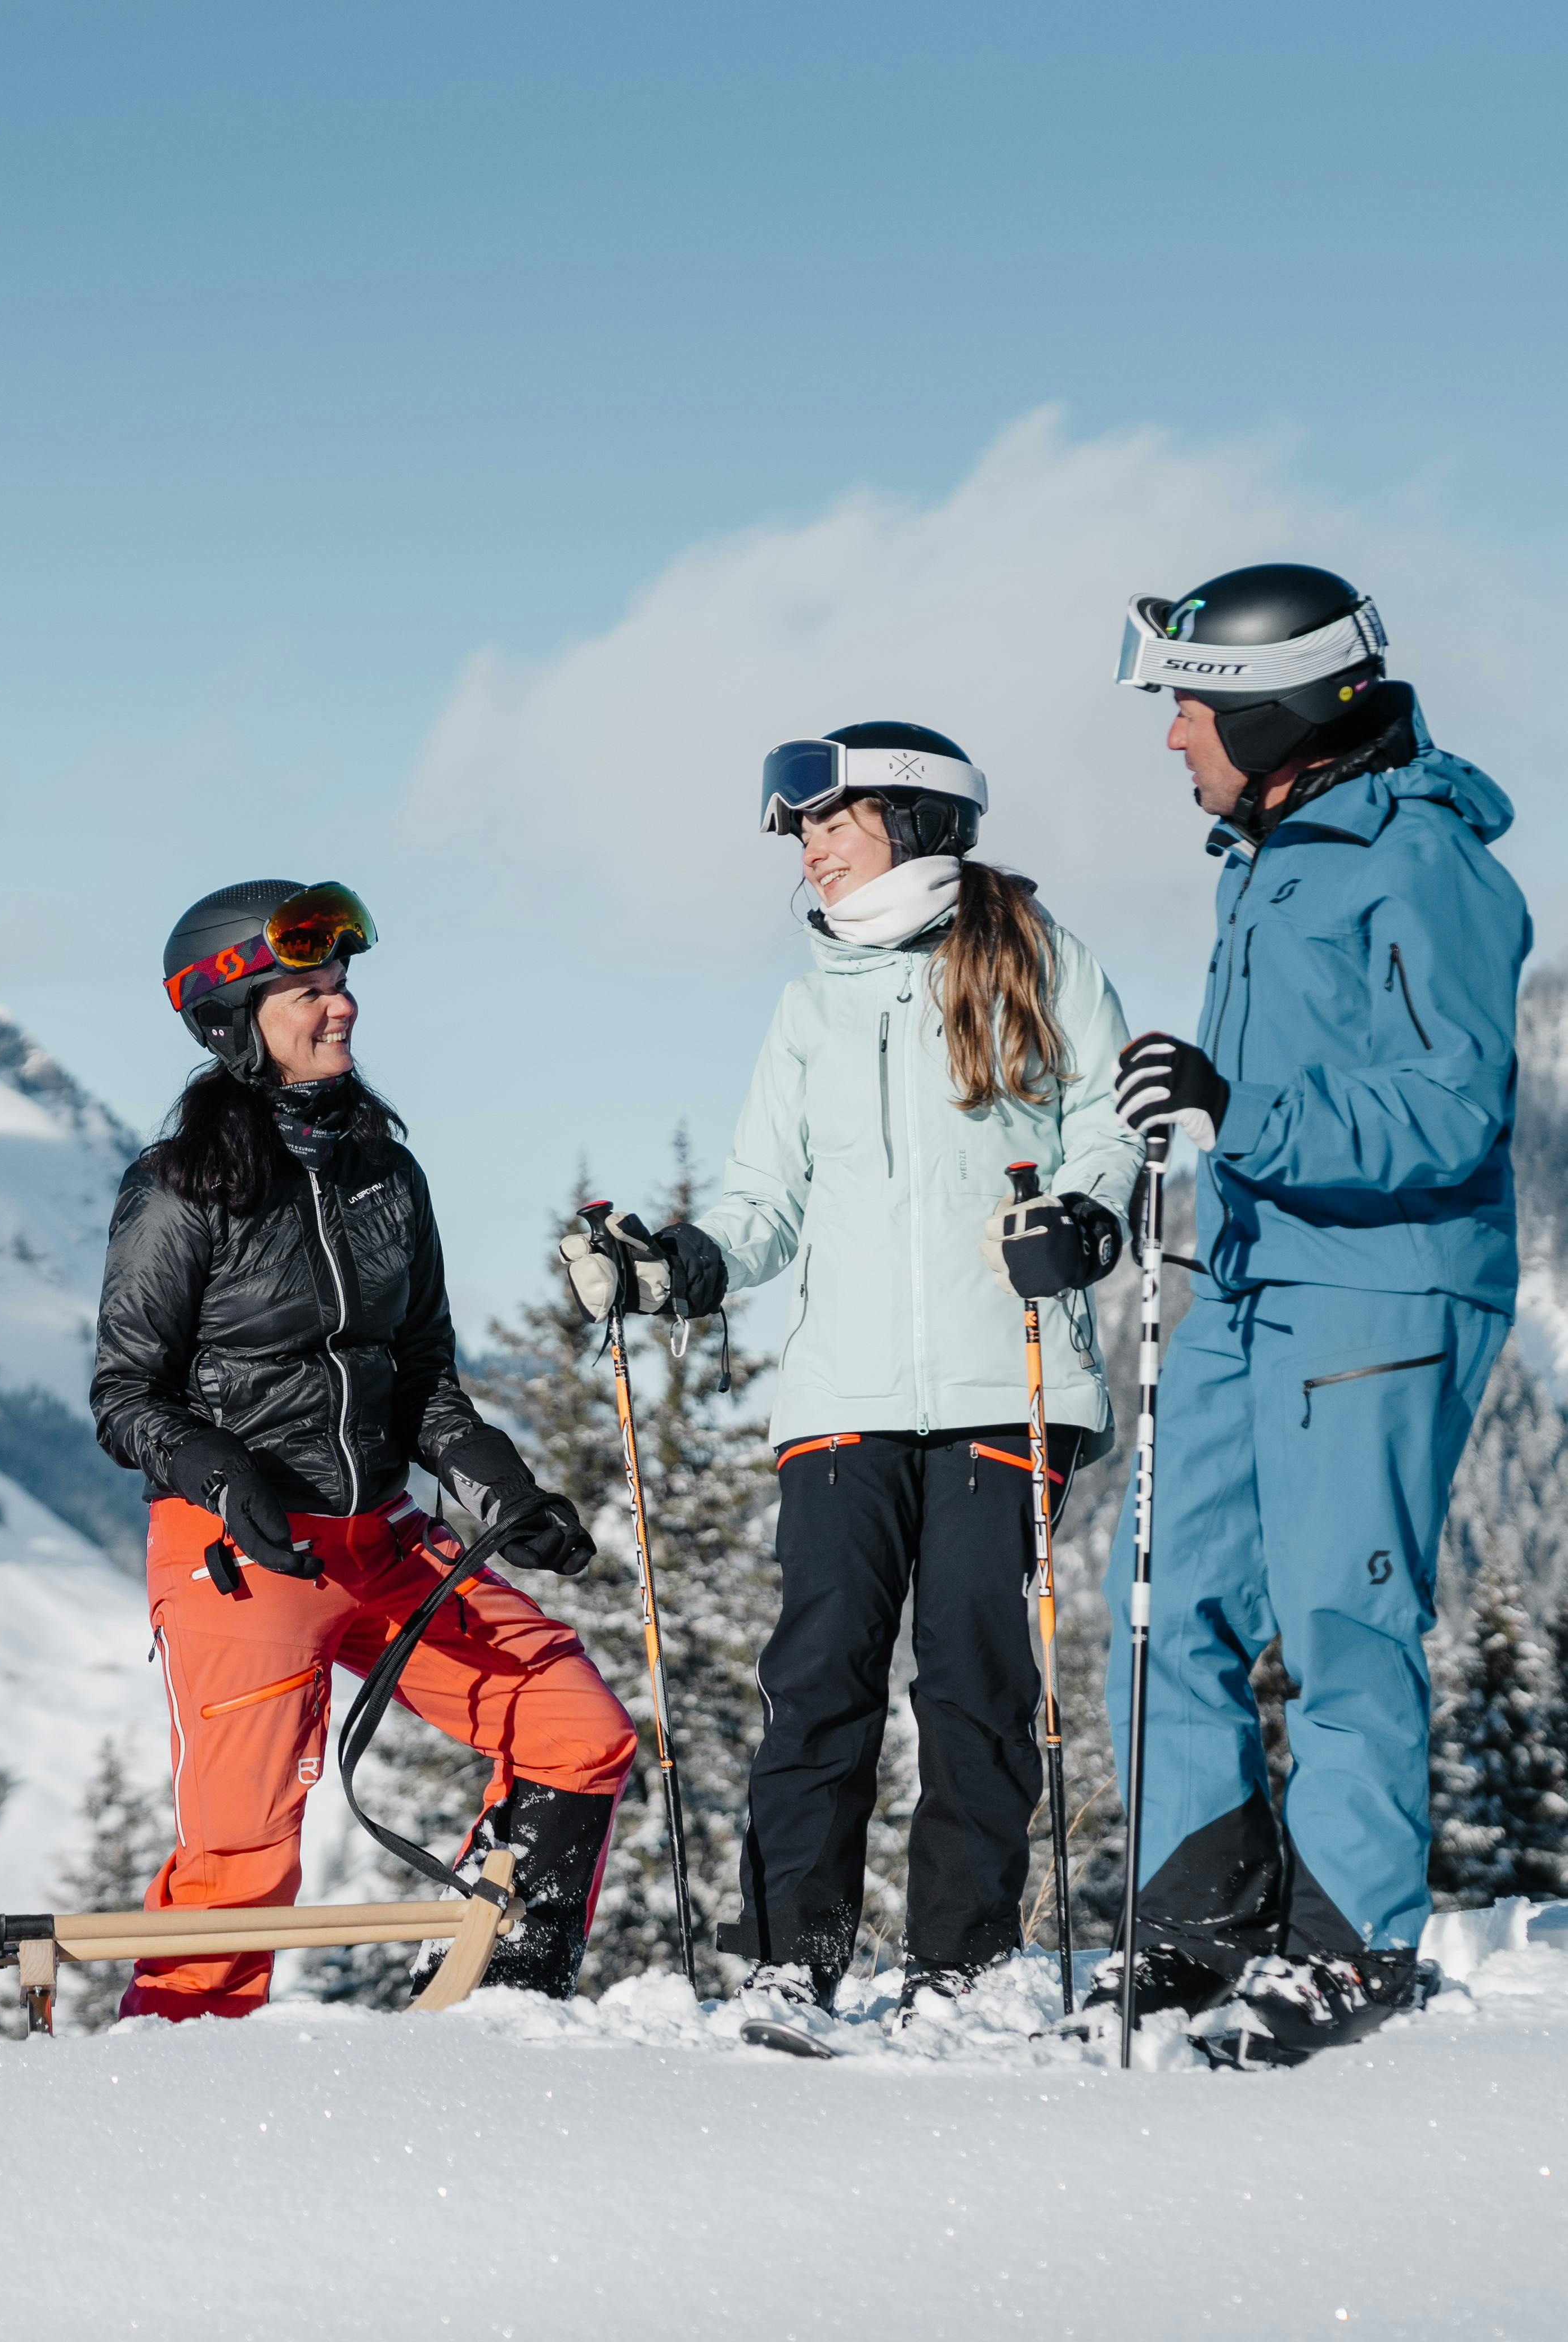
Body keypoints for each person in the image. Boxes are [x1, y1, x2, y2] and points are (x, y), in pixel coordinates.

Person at [575, 724, 1140, 2024]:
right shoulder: (807, 1002)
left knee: (976, 1677)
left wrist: (1088, 1217)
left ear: (918, 818)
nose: (809, 849)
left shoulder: (1041, 962)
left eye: (831, 820)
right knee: (819, 1675)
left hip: (1009, 1379)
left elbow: (1106, 1127)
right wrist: (684, 1265)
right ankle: (793, 1953)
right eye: (802, 830)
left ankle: (962, 1960)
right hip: (842, 1397)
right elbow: (764, 1198)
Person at [1103, 564, 1527, 2063]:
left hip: (1381, 1284)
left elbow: (1451, 1106)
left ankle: (1354, 1945)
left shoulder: (1421, 862)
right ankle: (1196, 1919)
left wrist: (1242, 1105)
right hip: (1250, 1270)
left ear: (1280, 703)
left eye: (1193, 706)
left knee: (1345, 1612)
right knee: (1163, 1593)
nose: (1173, 739)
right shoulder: (1268, 856)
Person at [89, 881, 637, 2016]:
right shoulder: (179, 1186)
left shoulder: (386, 1173)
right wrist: (221, 1472)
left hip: (381, 1541)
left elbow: (423, 1375)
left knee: (576, 1727)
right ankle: (156, 2099)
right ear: (229, 1015)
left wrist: (493, 1479)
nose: (339, 1005)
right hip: (241, 1553)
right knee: (241, 1863)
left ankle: (505, 2004)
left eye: (340, 980)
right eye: (306, 987)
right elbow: (124, 1394)